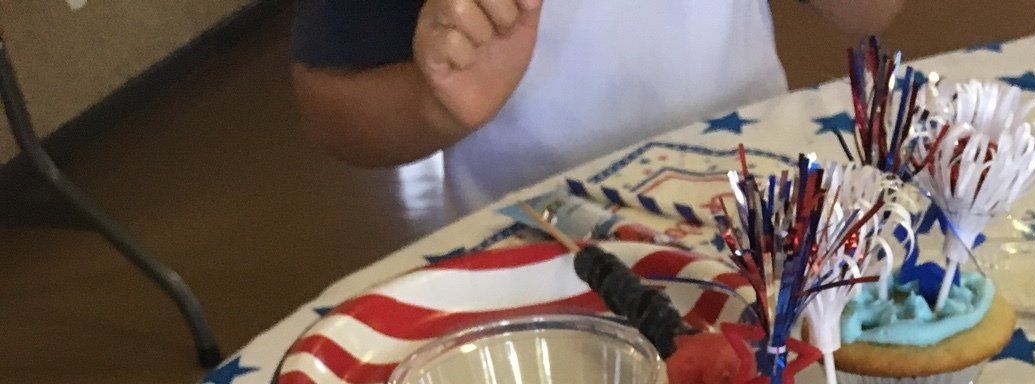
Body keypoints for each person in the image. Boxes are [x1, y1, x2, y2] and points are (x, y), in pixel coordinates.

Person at [291, 0, 905, 215]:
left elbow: (868, 11)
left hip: (758, 213)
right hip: (536, 254)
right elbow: (328, 101)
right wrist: (435, 106)